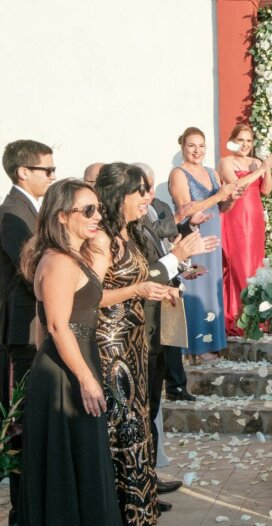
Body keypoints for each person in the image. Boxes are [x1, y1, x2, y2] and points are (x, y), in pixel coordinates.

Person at [17, 178, 122, 525]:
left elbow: (47, 324)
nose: (97, 216)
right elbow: (57, 326)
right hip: (67, 371)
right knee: (72, 461)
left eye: (98, 209)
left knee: (81, 458)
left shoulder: (71, 257)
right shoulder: (60, 262)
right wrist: (85, 379)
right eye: (88, 210)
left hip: (70, 362)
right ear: (62, 215)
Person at [94, 163, 178, 524]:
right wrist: (138, 289)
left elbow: (135, 281)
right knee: (121, 427)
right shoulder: (101, 239)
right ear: (118, 196)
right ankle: (119, 511)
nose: (147, 197)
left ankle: (139, 511)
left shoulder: (129, 233)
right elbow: (90, 296)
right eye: (139, 191)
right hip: (112, 346)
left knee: (138, 423)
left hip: (135, 341)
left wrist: (160, 290)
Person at [134, 162, 218, 496]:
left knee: (151, 406)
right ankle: (141, 481)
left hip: (159, 321)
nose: (148, 196)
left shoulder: (151, 215)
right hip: (140, 327)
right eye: (142, 190)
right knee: (142, 408)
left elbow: (160, 260)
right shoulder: (126, 228)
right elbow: (143, 274)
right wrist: (178, 257)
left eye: (150, 188)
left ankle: (148, 477)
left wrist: (181, 264)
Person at [0, 139, 55, 525]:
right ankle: (22, 509)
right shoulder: (12, 214)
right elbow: (31, 269)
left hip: (34, 325)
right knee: (23, 418)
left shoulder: (29, 209)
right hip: (25, 328)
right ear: (23, 172)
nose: (52, 176)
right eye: (47, 170)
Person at [168, 127, 236, 363]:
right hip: (193, 236)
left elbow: (221, 208)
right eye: (191, 145)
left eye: (201, 146)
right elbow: (186, 209)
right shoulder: (178, 174)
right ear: (183, 147)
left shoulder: (211, 172)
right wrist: (219, 196)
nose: (197, 151)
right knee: (195, 285)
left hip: (213, 235)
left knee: (211, 287)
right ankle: (194, 347)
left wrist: (231, 199)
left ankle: (212, 341)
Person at [218, 123, 272, 336]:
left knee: (255, 266)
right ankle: (239, 317)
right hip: (235, 216)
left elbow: (266, 190)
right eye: (240, 140)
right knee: (240, 264)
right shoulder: (226, 162)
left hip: (255, 217)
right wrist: (261, 170)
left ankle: (257, 317)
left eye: (248, 140)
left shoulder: (257, 162)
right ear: (232, 141)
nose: (245, 144)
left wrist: (267, 168)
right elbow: (237, 186)